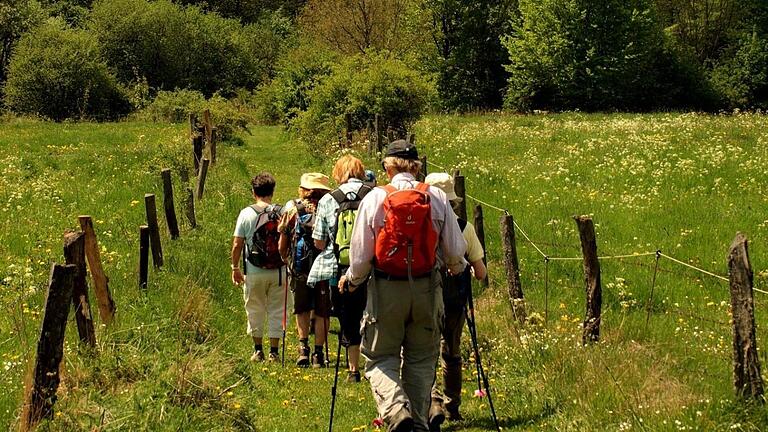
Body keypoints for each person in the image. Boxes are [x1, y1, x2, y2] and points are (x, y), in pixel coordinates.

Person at [340, 140, 467, 432]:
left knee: (379, 356)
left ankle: (396, 410)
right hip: (426, 288)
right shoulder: (435, 196)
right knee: (421, 359)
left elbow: (360, 257)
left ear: (388, 167)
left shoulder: (374, 199)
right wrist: (454, 269)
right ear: (416, 167)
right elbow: (455, 253)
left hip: (386, 289)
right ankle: (419, 423)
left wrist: (352, 281)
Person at [423, 173, 488, 431]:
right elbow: (481, 272)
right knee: (452, 352)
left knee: (423, 352)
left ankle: (432, 401)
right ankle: (453, 405)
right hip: (454, 299)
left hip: (427, 295)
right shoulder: (465, 227)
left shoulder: (420, 227)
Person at [309, 155, 371, 383]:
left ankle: (353, 369)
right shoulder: (373, 194)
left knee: (348, 315)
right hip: (370, 267)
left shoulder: (328, 199)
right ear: (361, 171)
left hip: (340, 268)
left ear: (338, 173)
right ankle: (375, 364)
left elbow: (319, 241)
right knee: (371, 312)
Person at [230, 172, 286, 362]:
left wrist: (234, 267)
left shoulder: (246, 213)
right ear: (272, 191)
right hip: (279, 270)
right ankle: (274, 352)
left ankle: (258, 350)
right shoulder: (282, 212)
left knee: (254, 308)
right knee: (277, 309)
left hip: (253, 270)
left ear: (253, 191)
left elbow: (237, 244)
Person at [279, 172, 331, 368]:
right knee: (322, 310)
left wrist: (286, 259)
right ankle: (319, 354)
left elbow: (282, 240)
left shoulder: (293, 207)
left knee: (301, 308)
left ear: (303, 189)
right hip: (324, 267)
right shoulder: (329, 207)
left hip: (300, 266)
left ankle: (303, 348)